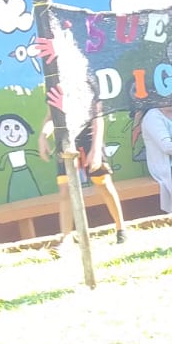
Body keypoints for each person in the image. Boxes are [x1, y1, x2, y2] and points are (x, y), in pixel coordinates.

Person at [40, 81, 127, 244]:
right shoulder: (54, 82)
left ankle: (121, 229)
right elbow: (51, 117)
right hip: (65, 141)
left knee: (103, 183)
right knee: (65, 190)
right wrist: (43, 136)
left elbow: (97, 119)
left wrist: (95, 151)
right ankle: (66, 237)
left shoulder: (86, 80)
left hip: (88, 139)